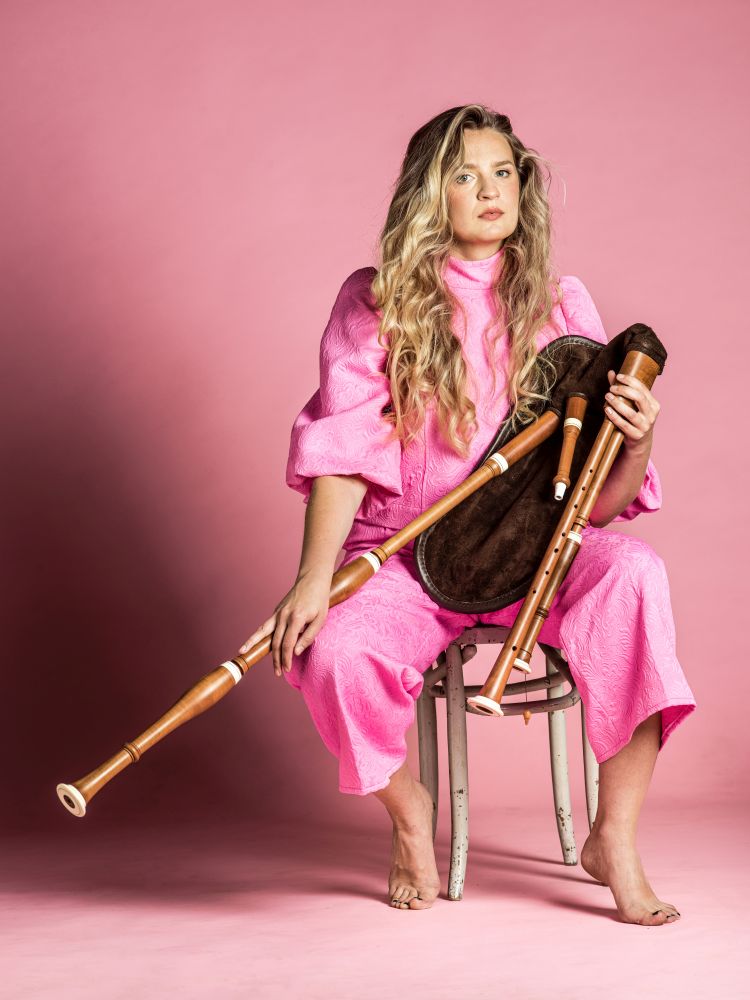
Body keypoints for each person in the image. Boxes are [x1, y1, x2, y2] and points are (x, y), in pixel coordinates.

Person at [239, 105, 696, 924]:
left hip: (538, 552)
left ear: (522, 186)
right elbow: (346, 449)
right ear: (430, 193)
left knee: (635, 574)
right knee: (334, 648)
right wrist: (311, 580)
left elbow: (600, 500)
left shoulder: (561, 303)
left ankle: (614, 839)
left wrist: (636, 439)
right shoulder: (375, 300)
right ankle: (411, 812)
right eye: (464, 175)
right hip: (406, 558)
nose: (490, 190)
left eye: (503, 172)